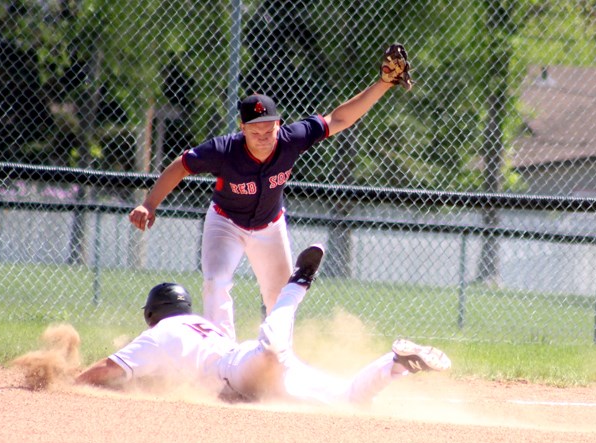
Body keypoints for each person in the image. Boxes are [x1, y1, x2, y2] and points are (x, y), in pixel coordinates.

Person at [128, 44, 413, 341]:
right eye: (255, 131)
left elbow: (339, 118)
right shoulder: (224, 150)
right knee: (216, 282)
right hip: (225, 223)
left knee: (280, 296)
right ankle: (220, 358)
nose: (264, 137)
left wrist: (383, 84)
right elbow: (181, 166)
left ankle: (275, 359)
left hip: (270, 226)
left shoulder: (292, 139)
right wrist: (150, 203)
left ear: (279, 123)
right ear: (242, 128)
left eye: (269, 129)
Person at [75, 244, 451, 406]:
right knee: (350, 398)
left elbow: (109, 369)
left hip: (242, 371)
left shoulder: (158, 334)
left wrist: (67, 382)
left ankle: (295, 286)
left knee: (270, 347)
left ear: (154, 313)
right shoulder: (200, 327)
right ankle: (396, 362)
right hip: (258, 369)